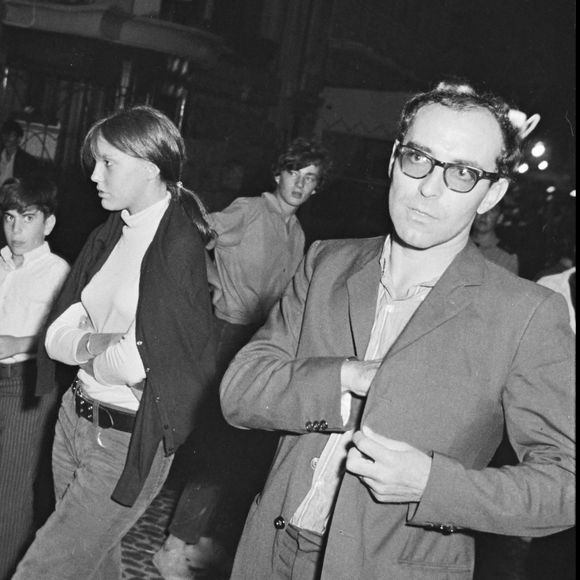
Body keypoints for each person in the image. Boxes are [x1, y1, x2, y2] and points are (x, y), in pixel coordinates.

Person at [219, 81, 575, 580]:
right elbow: (240, 392)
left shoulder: (526, 313)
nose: (429, 187)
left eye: (463, 173)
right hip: (270, 552)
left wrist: (433, 484)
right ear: (393, 159)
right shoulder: (327, 262)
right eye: (418, 159)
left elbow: (566, 483)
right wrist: (345, 377)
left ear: (493, 191)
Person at [12, 106, 216, 580]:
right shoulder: (114, 230)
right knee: (94, 565)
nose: (94, 175)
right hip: (73, 420)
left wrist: (89, 347)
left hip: (124, 441)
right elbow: (58, 334)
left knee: (43, 569)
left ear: (149, 166)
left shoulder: (175, 244)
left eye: (108, 163)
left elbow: (137, 361)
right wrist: (95, 345)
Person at [154, 137, 332, 579]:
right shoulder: (250, 209)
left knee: (243, 454)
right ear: (279, 174)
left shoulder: (297, 234)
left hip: (261, 347)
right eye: (295, 172)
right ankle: (174, 545)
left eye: (310, 179)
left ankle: (203, 536)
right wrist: (209, 288)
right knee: (217, 448)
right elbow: (192, 236)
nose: (300, 184)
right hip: (224, 336)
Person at [0, 175, 70, 580]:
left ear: (49, 223)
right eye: (9, 217)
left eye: (27, 217)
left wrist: (17, 340)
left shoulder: (59, 272)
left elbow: (65, 339)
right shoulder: (2, 263)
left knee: (11, 489)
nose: (16, 229)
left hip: (28, 384)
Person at [470, 200, 519, 274]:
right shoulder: (456, 245)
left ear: (500, 218)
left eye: (492, 210)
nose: (484, 215)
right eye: (481, 208)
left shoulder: (506, 258)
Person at [0, 119, 40, 186]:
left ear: (19, 139)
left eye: (10, 135)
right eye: (4, 134)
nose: (6, 137)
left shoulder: (27, 161)